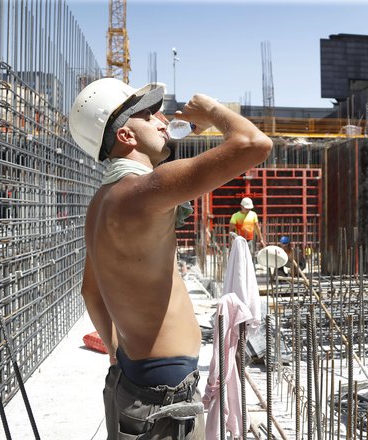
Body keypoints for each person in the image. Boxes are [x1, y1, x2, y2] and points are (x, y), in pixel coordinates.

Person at [69, 77, 272, 439]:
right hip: (162, 402)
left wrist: (117, 351)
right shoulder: (143, 191)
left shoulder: (101, 202)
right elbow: (253, 144)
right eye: (149, 116)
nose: (163, 121)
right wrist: (210, 109)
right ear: (126, 136)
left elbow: (91, 292)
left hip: (135, 381)